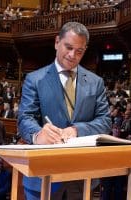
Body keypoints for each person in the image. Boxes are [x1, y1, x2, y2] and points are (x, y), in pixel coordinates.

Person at [18, 22, 111, 200]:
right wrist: (38, 135)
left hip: (82, 176)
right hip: (43, 174)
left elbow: (105, 121)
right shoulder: (34, 79)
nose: (72, 55)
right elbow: (25, 118)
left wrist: (77, 130)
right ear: (57, 42)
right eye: (68, 47)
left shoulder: (95, 82)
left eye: (79, 51)